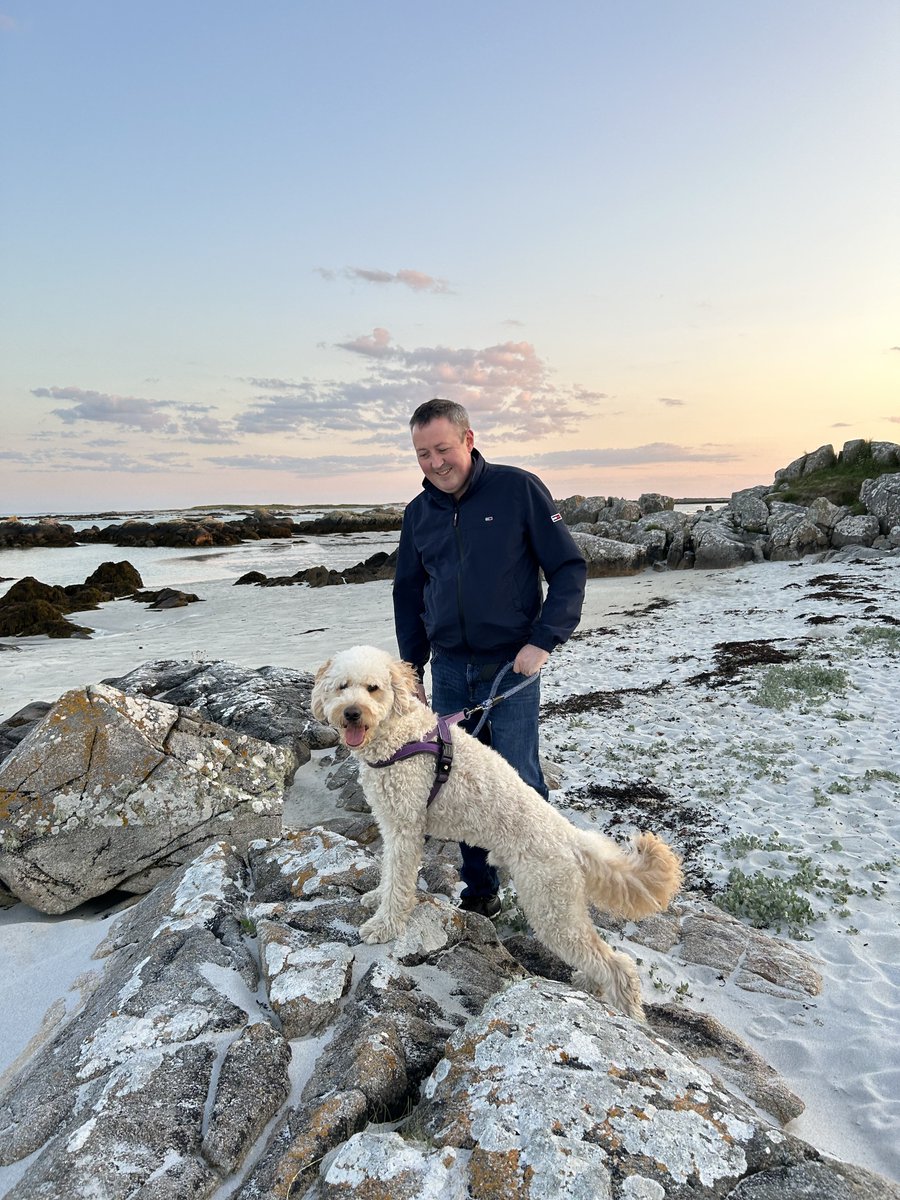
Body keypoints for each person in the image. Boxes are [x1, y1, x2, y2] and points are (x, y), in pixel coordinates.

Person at [392, 398, 587, 916]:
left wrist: (544, 640)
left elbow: (568, 568)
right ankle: (481, 891)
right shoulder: (418, 514)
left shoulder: (518, 488)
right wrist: (412, 670)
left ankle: (547, 883)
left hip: (511, 667)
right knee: (458, 783)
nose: (434, 463)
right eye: (421, 454)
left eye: (442, 449)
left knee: (520, 778)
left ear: (468, 440)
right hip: (451, 669)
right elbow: (408, 595)